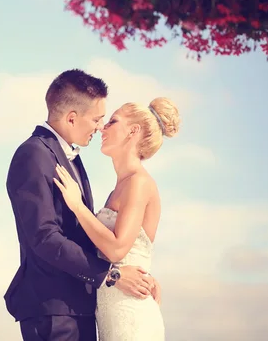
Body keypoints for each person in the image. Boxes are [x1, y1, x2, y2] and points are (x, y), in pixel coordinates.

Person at [4, 69, 161, 341]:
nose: (100, 127)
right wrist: (111, 276)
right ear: (72, 118)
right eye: (99, 119)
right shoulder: (34, 155)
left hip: (82, 308)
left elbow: (87, 237)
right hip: (54, 309)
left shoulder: (74, 161)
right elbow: (44, 237)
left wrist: (136, 272)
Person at [53, 97, 180, 340]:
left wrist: (78, 207)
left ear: (133, 131)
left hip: (132, 316)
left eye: (112, 121)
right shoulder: (119, 188)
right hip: (112, 314)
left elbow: (117, 249)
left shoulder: (139, 183)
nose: (102, 127)